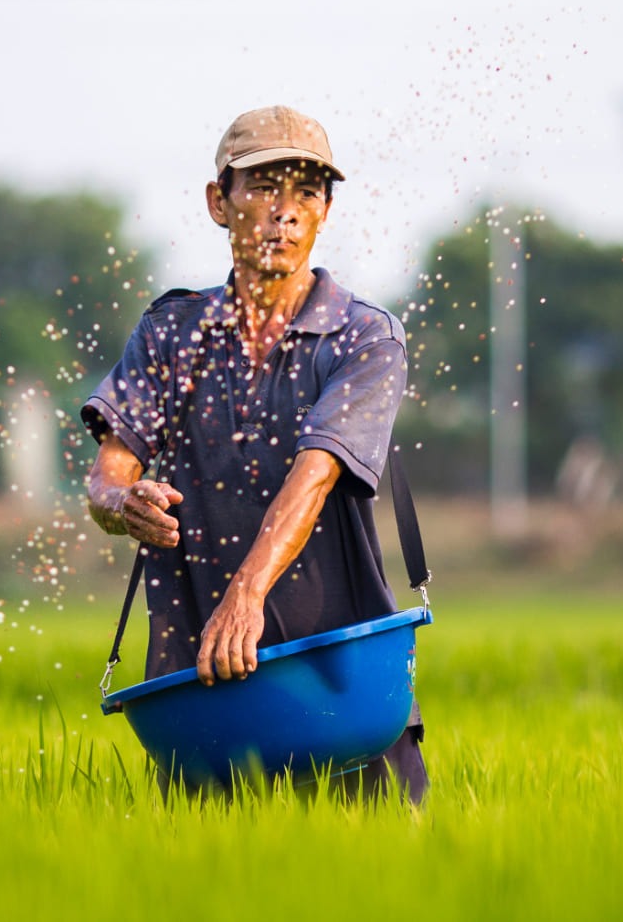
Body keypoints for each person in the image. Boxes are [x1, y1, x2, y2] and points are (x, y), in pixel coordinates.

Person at [80, 105, 425, 804]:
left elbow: (315, 473)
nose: (285, 213)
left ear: (326, 210)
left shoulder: (362, 338)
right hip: (204, 690)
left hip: (344, 679)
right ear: (219, 202)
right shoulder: (171, 334)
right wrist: (125, 503)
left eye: (306, 192)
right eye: (264, 188)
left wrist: (246, 594)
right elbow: (107, 476)